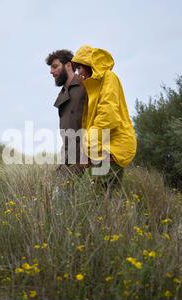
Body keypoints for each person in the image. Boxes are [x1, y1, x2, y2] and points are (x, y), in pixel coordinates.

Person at [71, 45, 137, 196]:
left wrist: (88, 148)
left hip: (114, 148)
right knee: (103, 200)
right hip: (101, 148)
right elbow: (88, 123)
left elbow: (108, 118)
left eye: (79, 68)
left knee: (100, 200)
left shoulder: (109, 78)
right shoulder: (91, 87)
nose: (78, 73)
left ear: (89, 65)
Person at [46, 50, 87, 178]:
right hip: (68, 157)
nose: (51, 72)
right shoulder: (62, 94)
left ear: (68, 65)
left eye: (55, 66)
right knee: (54, 189)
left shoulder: (86, 85)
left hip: (87, 157)